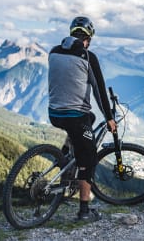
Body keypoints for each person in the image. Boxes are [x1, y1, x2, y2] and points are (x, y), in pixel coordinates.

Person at [48, 16, 117, 221]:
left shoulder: (53, 52)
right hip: (75, 117)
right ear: (89, 37)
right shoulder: (88, 57)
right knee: (89, 158)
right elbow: (99, 91)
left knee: (90, 118)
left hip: (54, 114)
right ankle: (84, 211)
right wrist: (110, 117)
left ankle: (67, 153)